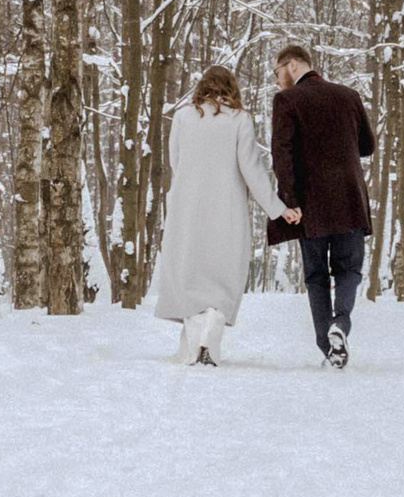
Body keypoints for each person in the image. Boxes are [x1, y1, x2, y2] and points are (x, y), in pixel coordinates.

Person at [150, 65, 299, 366]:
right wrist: (278, 208)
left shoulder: (182, 117)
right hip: (226, 208)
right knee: (222, 272)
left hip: (187, 207)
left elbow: (175, 161)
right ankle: (213, 329)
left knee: (189, 269)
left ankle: (191, 342)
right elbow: (252, 170)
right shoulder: (239, 120)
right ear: (232, 89)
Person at [267, 42, 376, 369]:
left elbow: (281, 155)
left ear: (294, 65)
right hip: (349, 200)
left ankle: (327, 347)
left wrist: (290, 202)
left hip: (310, 205)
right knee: (349, 271)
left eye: (277, 72)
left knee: (316, 276)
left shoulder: (286, 100)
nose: (276, 80)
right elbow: (367, 146)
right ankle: (339, 325)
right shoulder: (349, 95)